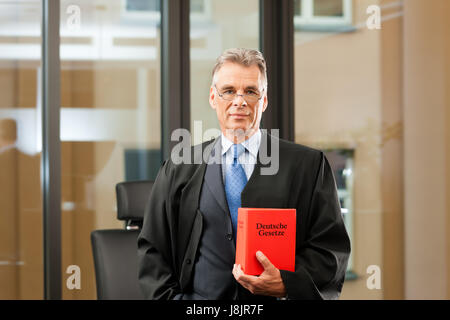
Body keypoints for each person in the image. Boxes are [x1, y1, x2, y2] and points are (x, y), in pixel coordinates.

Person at [137, 48, 351, 300]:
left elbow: (330, 250)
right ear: (213, 98)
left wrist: (287, 285)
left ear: (264, 100)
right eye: (228, 91)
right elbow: (154, 252)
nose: (239, 101)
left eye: (250, 91)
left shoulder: (307, 166)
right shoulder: (179, 166)